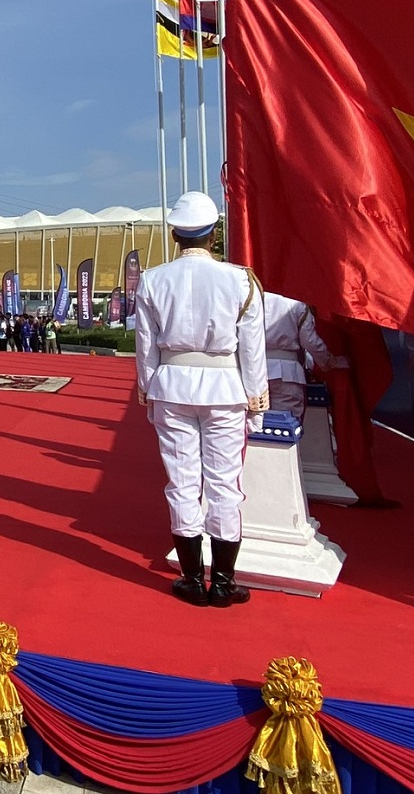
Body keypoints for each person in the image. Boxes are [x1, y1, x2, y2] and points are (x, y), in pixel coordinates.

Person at [132, 191, 268, 609]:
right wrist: (255, 397)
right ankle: (223, 583)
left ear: (175, 233)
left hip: (172, 385)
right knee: (226, 484)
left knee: (182, 481)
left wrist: (148, 389)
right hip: (225, 387)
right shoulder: (241, 279)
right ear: (215, 234)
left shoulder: (153, 279)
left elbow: (145, 346)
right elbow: (252, 348)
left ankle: (192, 579)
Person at [261, 292, 332, 413]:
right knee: (286, 424)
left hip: (254, 369)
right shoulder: (296, 302)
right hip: (287, 372)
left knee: (251, 427)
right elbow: (310, 341)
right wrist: (329, 363)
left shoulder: (249, 297)